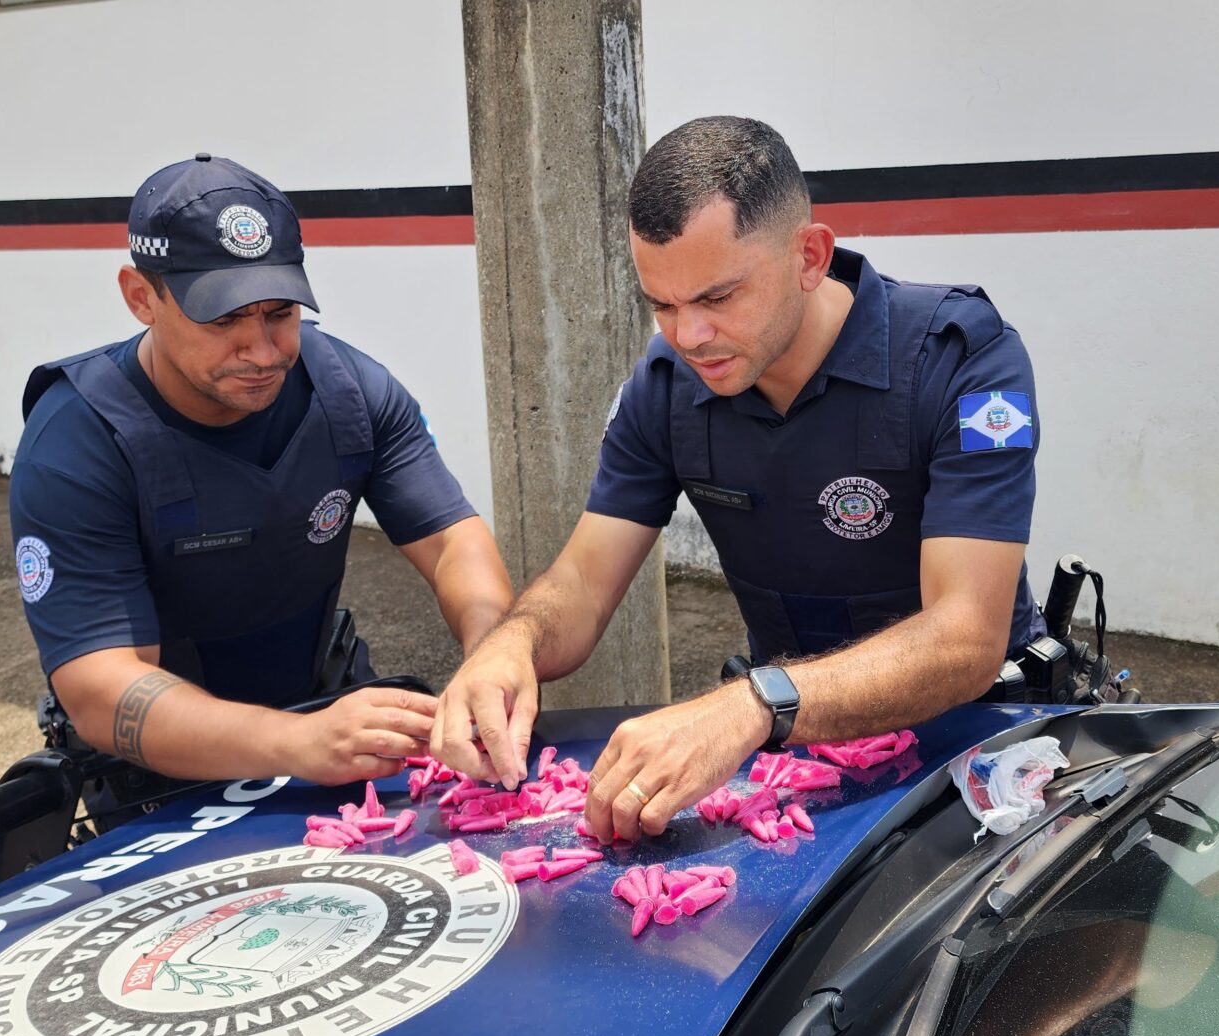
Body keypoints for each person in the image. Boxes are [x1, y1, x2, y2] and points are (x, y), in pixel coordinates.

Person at [432, 117, 1045, 840]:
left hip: (982, 753)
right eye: (662, 304)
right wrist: (514, 643)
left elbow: (965, 639)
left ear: (810, 256)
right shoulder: (664, 388)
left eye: (718, 298)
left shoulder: (960, 361)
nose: (688, 336)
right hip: (792, 763)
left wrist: (752, 705)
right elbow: (582, 582)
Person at [10, 154, 512, 790]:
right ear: (142, 297)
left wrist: (493, 654)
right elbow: (103, 688)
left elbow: (451, 542)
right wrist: (294, 742)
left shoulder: (348, 393)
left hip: (321, 714)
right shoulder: (78, 442)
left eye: (280, 313)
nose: (263, 351)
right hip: (161, 772)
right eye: (223, 320)